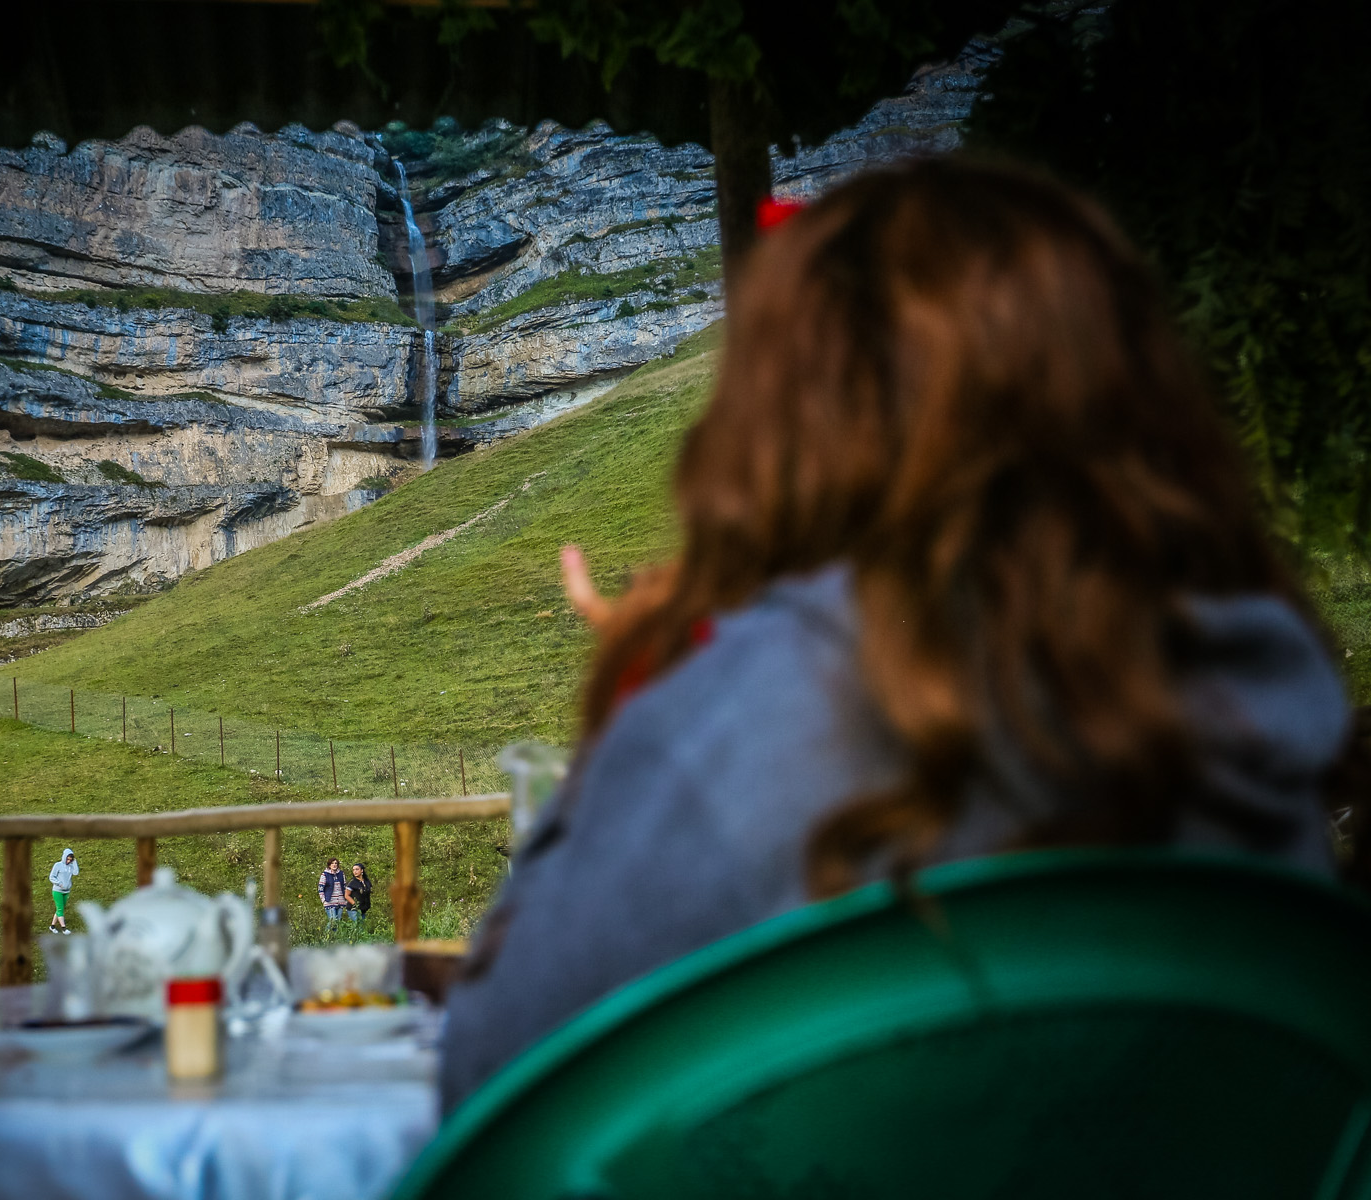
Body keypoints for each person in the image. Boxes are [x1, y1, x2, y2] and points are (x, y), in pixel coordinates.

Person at [440, 159, 1354, 1111]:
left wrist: (636, 694)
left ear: (789, 419)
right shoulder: (1257, 710)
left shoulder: (751, 722)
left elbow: (493, 1074)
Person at [47, 848, 79, 934]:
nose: (68, 861)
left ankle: (52, 926)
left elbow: (76, 872)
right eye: (67, 859)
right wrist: (59, 883)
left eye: (70, 859)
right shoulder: (58, 865)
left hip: (66, 891)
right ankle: (64, 928)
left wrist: (74, 862)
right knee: (60, 909)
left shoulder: (71, 866)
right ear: (64, 857)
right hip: (57, 891)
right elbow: (52, 877)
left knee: (59, 909)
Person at [317, 858, 348, 936]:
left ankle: (334, 938)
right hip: (330, 902)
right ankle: (324, 936)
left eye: (336, 863)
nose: (334, 865)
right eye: (332, 863)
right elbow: (320, 888)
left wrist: (346, 899)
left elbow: (344, 886)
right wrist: (323, 901)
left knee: (338, 921)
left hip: (341, 901)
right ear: (329, 865)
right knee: (333, 921)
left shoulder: (341, 874)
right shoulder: (325, 874)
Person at [346, 863, 374, 932]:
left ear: (362, 870)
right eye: (353, 870)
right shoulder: (352, 883)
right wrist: (355, 904)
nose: (355, 871)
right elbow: (346, 895)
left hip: (363, 909)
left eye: (357, 869)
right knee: (357, 928)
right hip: (354, 910)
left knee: (362, 928)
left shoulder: (366, 882)